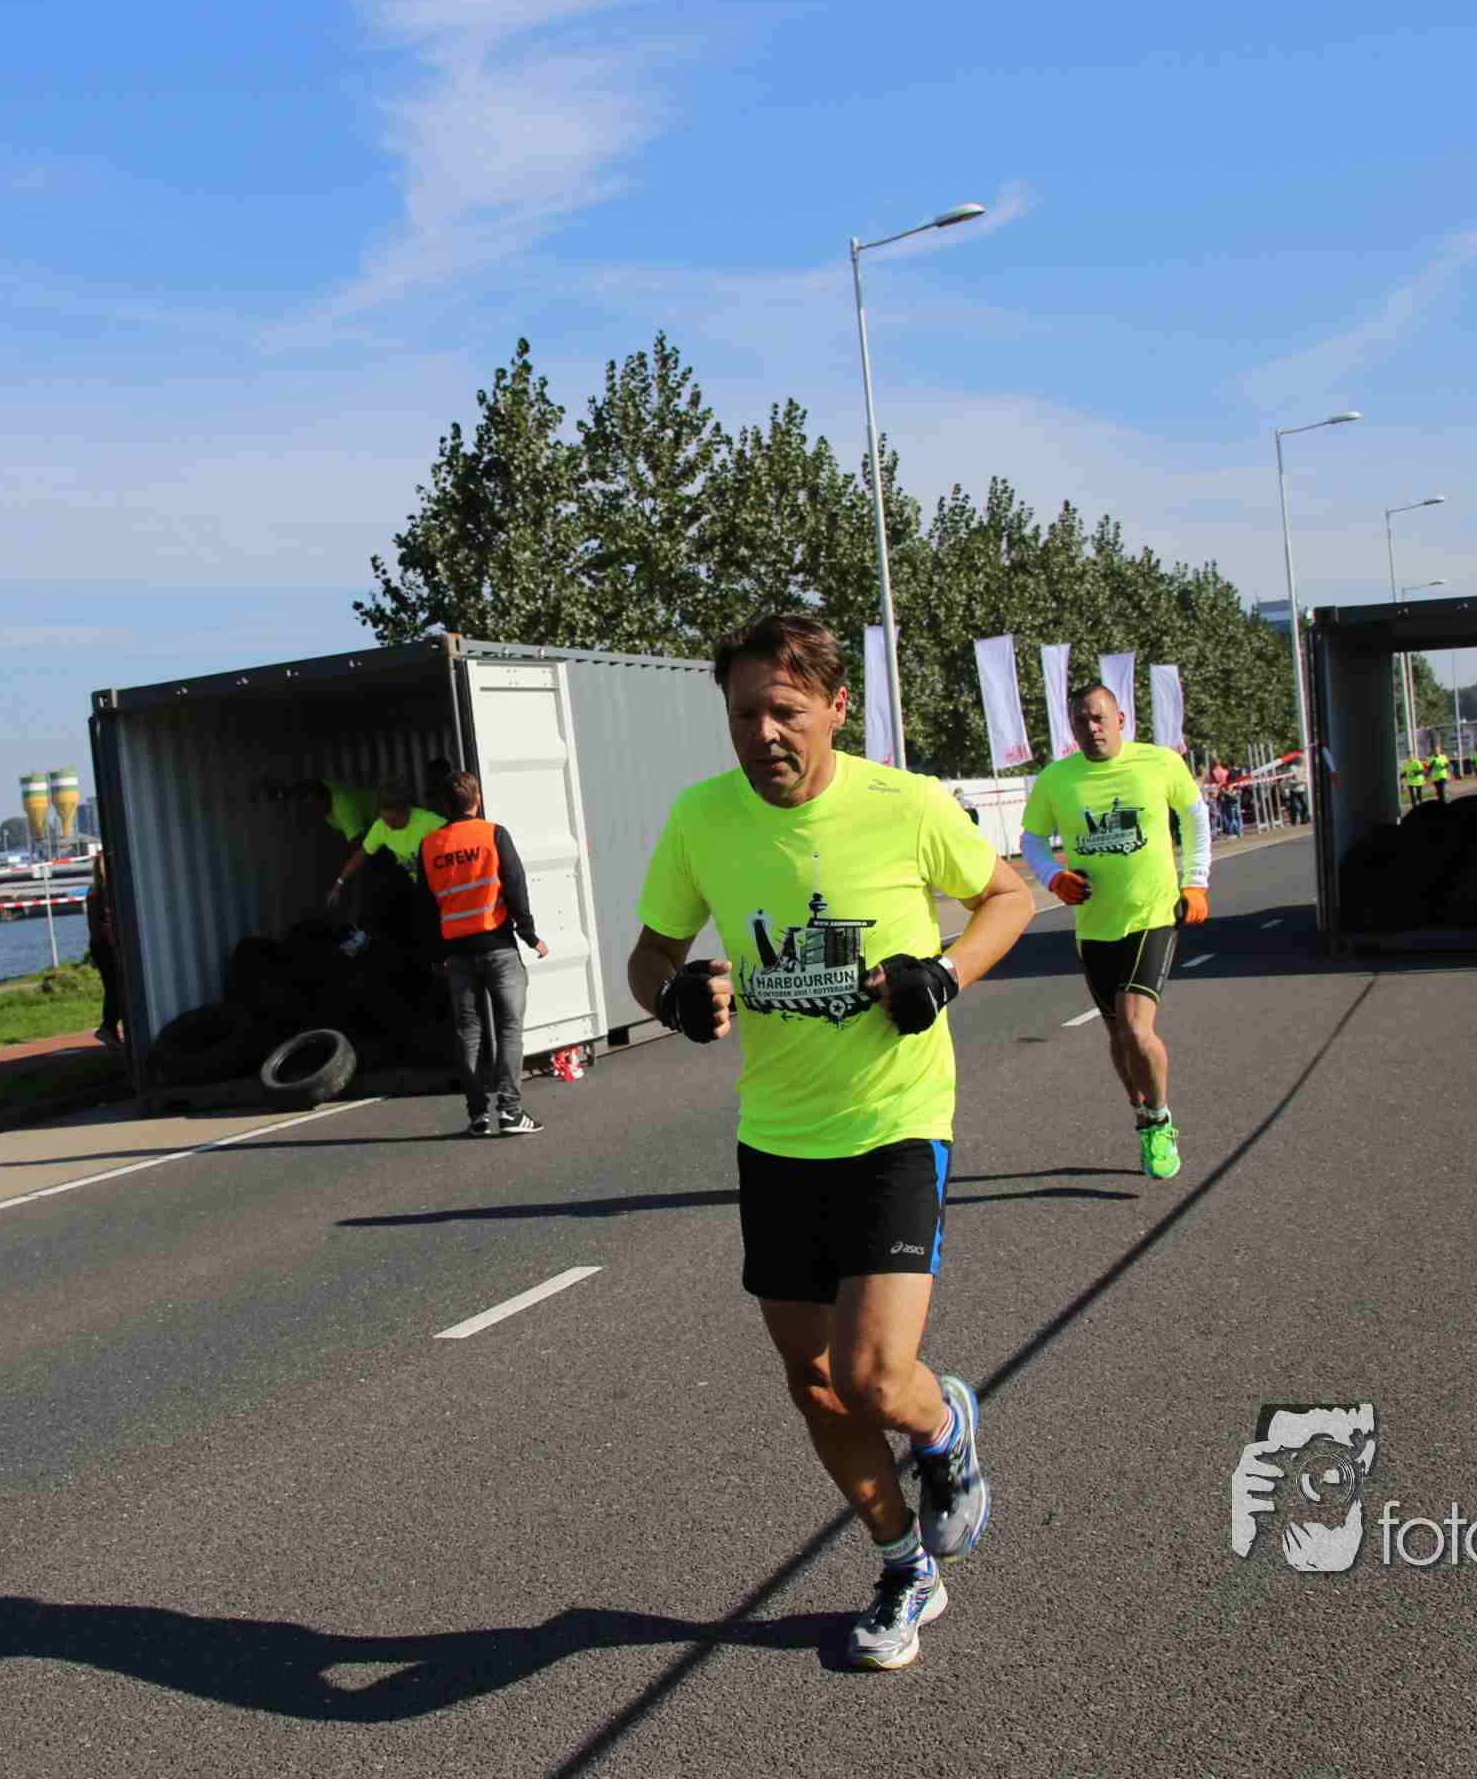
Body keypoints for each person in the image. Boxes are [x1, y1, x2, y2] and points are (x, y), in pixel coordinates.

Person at [629, 612, 1035, 1673]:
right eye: (743, 715)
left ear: (836, 708)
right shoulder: (701, 818)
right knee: (812, 1382)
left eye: (784, 711)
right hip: (777, 1136)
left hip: (895, 1122)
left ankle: (943, 1428)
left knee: (870, 1374)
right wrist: (673, 998)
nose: (762, 734)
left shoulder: (905, 804)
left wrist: (944, 972)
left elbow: (1009, 895)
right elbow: (650, 954)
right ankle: (905, 1567)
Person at [1021, 681, 1212, 1188]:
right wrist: (1053, 877)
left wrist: (1196, 880)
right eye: (1081, 721)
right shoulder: (1057, 779)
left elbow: (1195, 817)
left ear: (1121, 719)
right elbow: (1032, 839)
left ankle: (1160, 1120)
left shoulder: (1159, 763)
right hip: (1094, 926)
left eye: (1099, 718)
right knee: (1117, 1035)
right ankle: (1142, 1113)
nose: (1091, 728)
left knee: (1135, 1027)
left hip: (1151, 915)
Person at [425, 770, 550, 1137]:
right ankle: (510, 1113)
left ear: (444, 805)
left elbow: (425, 905)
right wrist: (529, 935)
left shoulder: (430, 845)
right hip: (498, 948)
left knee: (468, 1032)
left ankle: (478, 1115)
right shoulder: (493, 834)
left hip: (457, 954)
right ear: (476, 800)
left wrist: (435, 953)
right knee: (510, 1027)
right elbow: (515, 885)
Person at [327, 782, 446, 941]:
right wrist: (339, 883)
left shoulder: (429, 822)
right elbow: (360, 855)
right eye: (384, 820)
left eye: (392, 821)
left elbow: (458, 836)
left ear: (405, 811)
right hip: (420, 890)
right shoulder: (381, 826)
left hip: (442, 889)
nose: (388, 826)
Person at [85, 851, 126, 1053]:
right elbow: (109, 921)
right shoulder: (109, 890)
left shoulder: (92, 891)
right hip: (109, 944)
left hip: (98, 945)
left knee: (112, 987)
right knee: (119, 987)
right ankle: (108, 1027)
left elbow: (93, 925)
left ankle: (111, 1031)